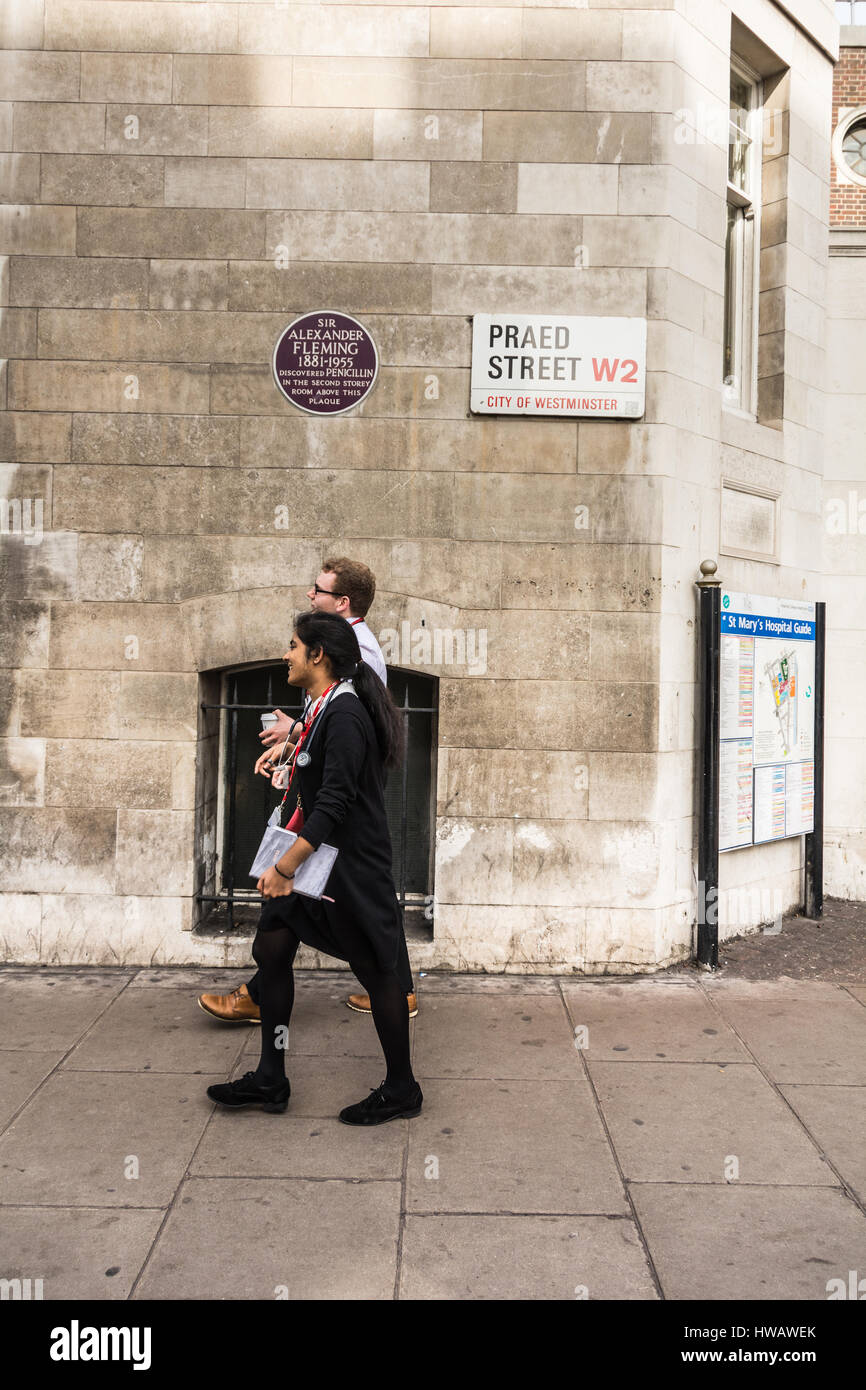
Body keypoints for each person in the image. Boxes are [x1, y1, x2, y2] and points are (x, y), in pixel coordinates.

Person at [206, 611, 423, 1124]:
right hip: (318, 862)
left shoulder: (345, 713)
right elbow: (320, 778)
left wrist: (284, 867)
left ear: (317, 655)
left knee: (379, 973)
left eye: (293, 646)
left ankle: (402, 1088)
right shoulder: (325, 706)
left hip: (348, 869)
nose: (286, 654)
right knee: (272, 947)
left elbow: (336, 803)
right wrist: (292, 761)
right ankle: (270, 1078)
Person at [197, 557, 417, 1023]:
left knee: (356, 897)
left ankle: (396, 996)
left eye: (318, 590)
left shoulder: (357, 651)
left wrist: (297, 737)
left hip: (343, 808)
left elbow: (355, 725)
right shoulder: (336, 647)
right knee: (296, 905)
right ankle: (269, 1008)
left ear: (342, 602)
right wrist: (296, 744)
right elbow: (331, 720)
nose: (310, 596)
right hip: (326, 801)